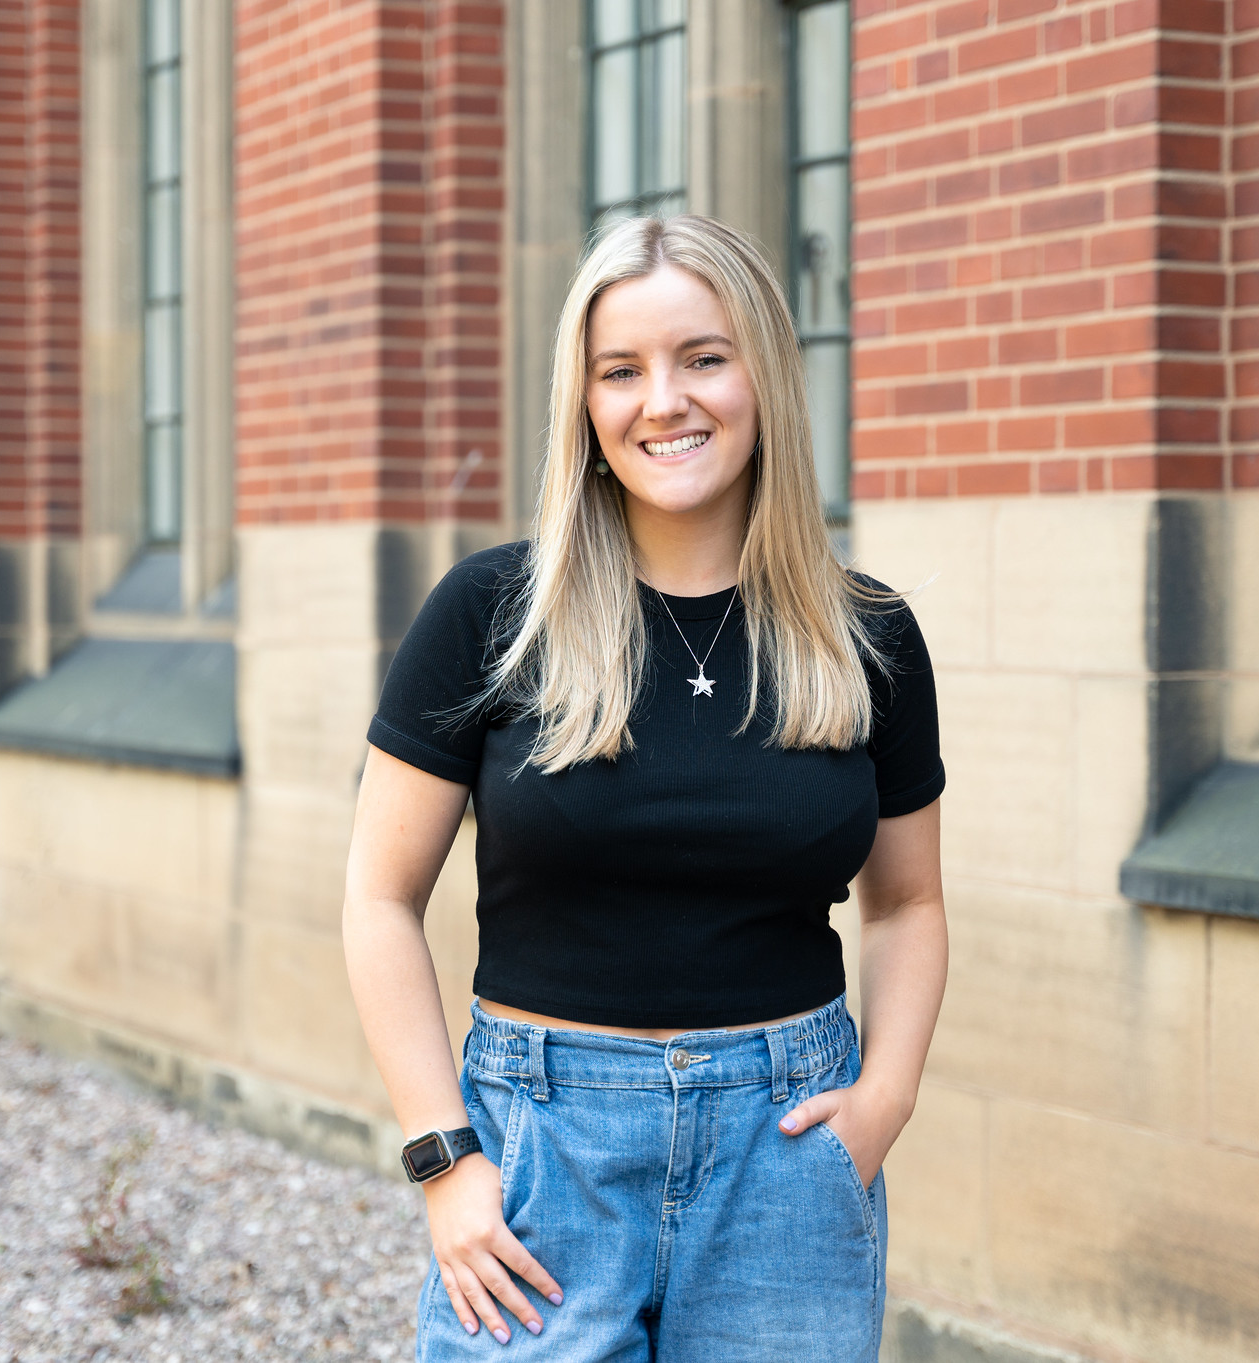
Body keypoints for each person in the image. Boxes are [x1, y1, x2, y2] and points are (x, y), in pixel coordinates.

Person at [343, 214, 949, 1362]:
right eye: (620, 371)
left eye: (701, 358)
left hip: (788, 1150)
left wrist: (885, 1098)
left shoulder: (867, 636)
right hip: (544, 1144)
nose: (661, 401)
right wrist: (444, 1159)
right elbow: (377, 898)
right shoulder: (490, 614)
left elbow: (908, 903)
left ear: (762, 373)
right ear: (584, 402)